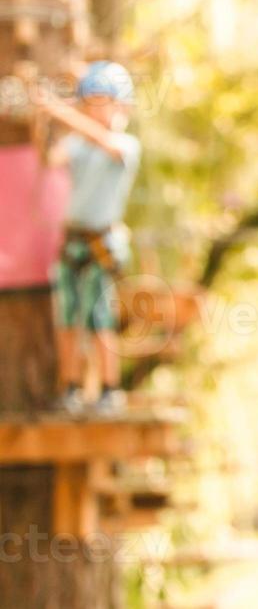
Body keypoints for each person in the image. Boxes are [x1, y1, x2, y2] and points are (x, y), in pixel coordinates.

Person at [35, 60, 141, 417]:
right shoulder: (77, 145)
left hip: (101, 243)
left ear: (121, 105)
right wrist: (43, 118)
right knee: (67, 319)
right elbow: (50, 157)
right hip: (73, 240)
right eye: (91, 102)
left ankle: (110, 389)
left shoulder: (124, 145)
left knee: (100, 317)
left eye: (103, 101)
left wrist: (60, 109)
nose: (96, 110)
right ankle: (70, 387)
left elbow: (102, 141)